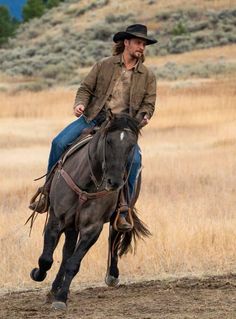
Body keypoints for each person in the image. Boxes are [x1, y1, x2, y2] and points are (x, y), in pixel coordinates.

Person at [29, 24, 157, 231]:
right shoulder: (104, 65)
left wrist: (144, 116)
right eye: (138, 43)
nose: (142, 47)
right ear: (126, 43)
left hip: (122, 128)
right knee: (59, 142)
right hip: (93, 118)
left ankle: (124, 210)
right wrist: (79, 103)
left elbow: (149, 103)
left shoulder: (148, 76)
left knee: (134, 161)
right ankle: (46, 192)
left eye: (144, 44)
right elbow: (85, 88)